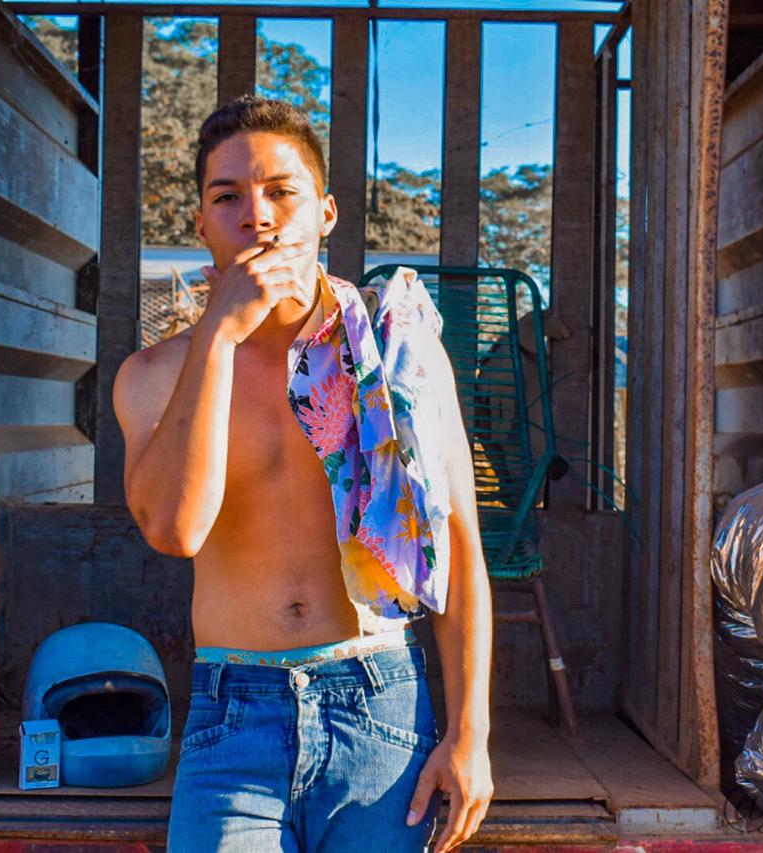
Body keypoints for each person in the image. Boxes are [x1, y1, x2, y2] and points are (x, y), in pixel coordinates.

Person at [113, 95, 494, 851]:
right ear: (201, 223)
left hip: (380, 701)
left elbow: (458, 548)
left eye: (281, 192)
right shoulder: (155, 375)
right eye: (228, 197)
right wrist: (218, 334)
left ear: (325, 213)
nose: (257, 216)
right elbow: (176, 530)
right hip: (234, 712)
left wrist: (470, 734)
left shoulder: (397, 350)